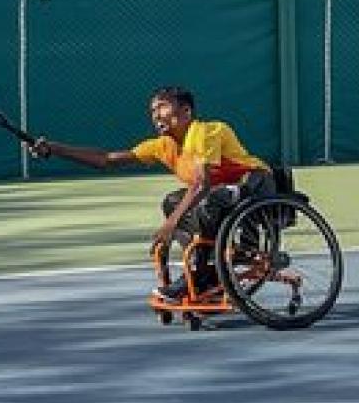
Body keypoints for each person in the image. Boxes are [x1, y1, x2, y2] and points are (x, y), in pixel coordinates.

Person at [27, 86, 275, 301]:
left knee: (206, 199)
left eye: (163, 107)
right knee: (172, 201)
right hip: (221, 199)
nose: (156, 115)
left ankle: (206, 269)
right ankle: (203, 270)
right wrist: (54, 148)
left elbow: (201, 183)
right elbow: (106, 159)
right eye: (153, 111)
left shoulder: (206, 131)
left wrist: (170, 224)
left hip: (254, 186)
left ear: (186, 111)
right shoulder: (161, 146)